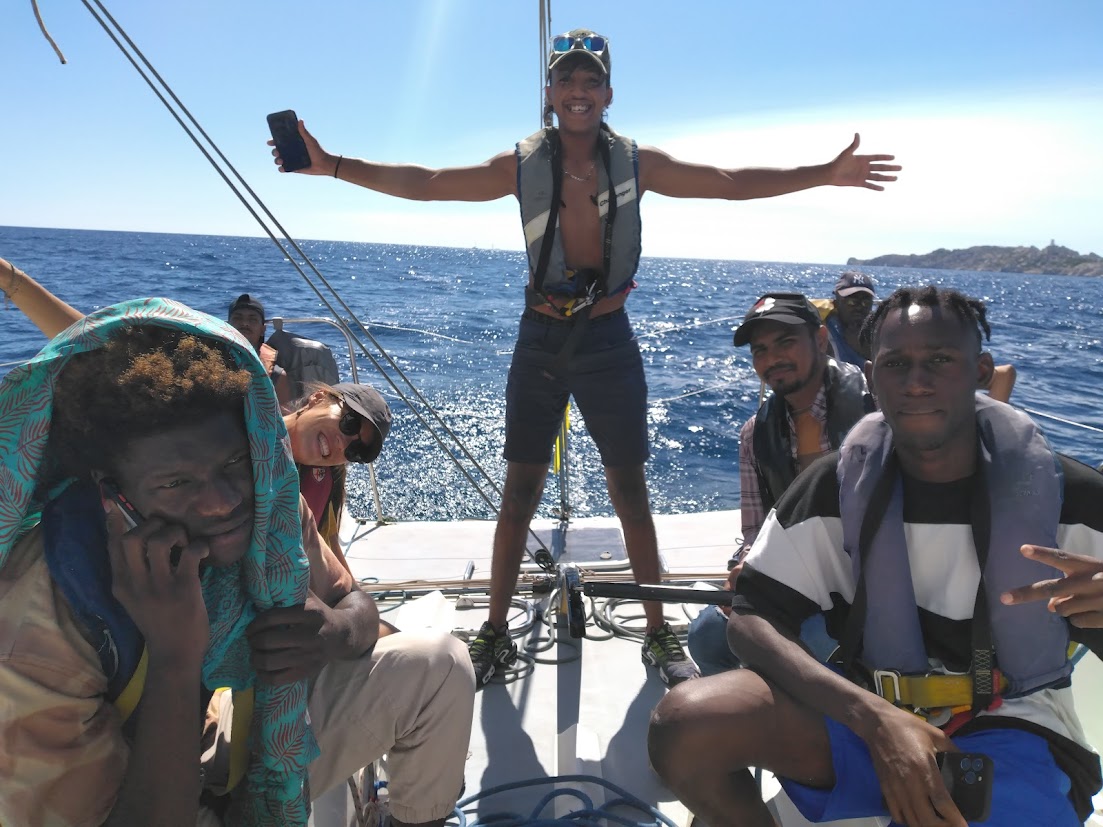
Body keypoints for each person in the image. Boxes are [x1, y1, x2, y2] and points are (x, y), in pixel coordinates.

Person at [271, 29, 901, 687]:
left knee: (630, 491)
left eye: (591, 80)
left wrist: (823, 173)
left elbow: (726, 182)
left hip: (608, 339)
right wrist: (332, 164)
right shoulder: (519, 165)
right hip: (541, 338)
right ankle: (494, 632)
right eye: (566, 80)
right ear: (549, 94)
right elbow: (428, 183)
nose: (578, 91)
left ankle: (657, 634)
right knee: (519, 491)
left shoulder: (637, 163)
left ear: (608, 93)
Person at [0, 286, 472, 826]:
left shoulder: (268, 504)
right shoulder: (39, 626)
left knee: (440, 667)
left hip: (242, 732)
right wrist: (175, 656)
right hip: (139, 795)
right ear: (113, 496)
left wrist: (334, 632)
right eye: (176, 483)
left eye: (232, 464)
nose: (222, 501)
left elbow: (351, 598)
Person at [648, 285, 1103, 826]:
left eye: (940, 360)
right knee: (687, 725)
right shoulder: (832, 489)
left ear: (981, 372)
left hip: (1016, 722)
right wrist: (874, 719)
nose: (916, 382)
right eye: (896, 364)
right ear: (872, 376)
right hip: (867, 711)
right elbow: (751, 618)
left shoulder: (1072, 498)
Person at [686, 292, 874, 676]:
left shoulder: (878, 406)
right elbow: (756, 533)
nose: (772, 359)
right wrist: (745, 567)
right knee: (706, 636)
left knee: (815, 645)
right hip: (798, 582)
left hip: (872, 587)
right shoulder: (754, 434)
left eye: (785, 342)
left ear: (820, 339)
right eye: (761, 350)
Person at [227, 292, 294, 407]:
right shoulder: (211, 361)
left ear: (263, 330)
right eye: (238, 318)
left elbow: (284, 416)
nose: (245, 323)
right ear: (227, 326)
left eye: (252, 319)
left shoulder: (276, 375)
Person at [824, 270, 877, 368]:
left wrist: (865, 350)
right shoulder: (826, 332)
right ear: (836, 302)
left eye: (865, 303)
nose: (859, 307)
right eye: (852, 302)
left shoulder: (879, 333)